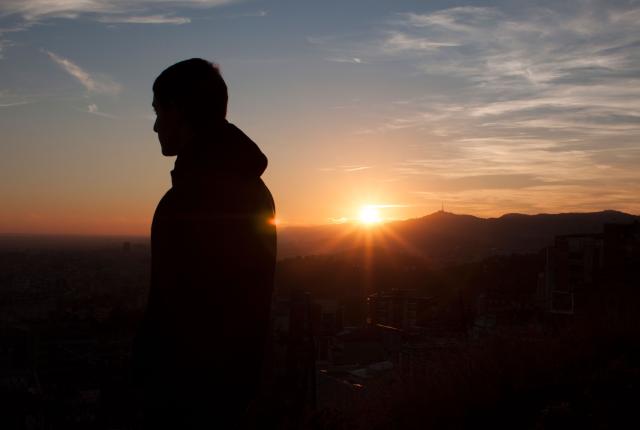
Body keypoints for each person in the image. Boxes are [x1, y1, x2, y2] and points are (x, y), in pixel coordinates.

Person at [133, 58, 277, 428]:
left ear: (177, 109)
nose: (154, 126)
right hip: (233, 393)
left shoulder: (186, 202)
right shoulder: (255, 190)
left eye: (157, 111)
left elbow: (172, 313)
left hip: (187, 401)